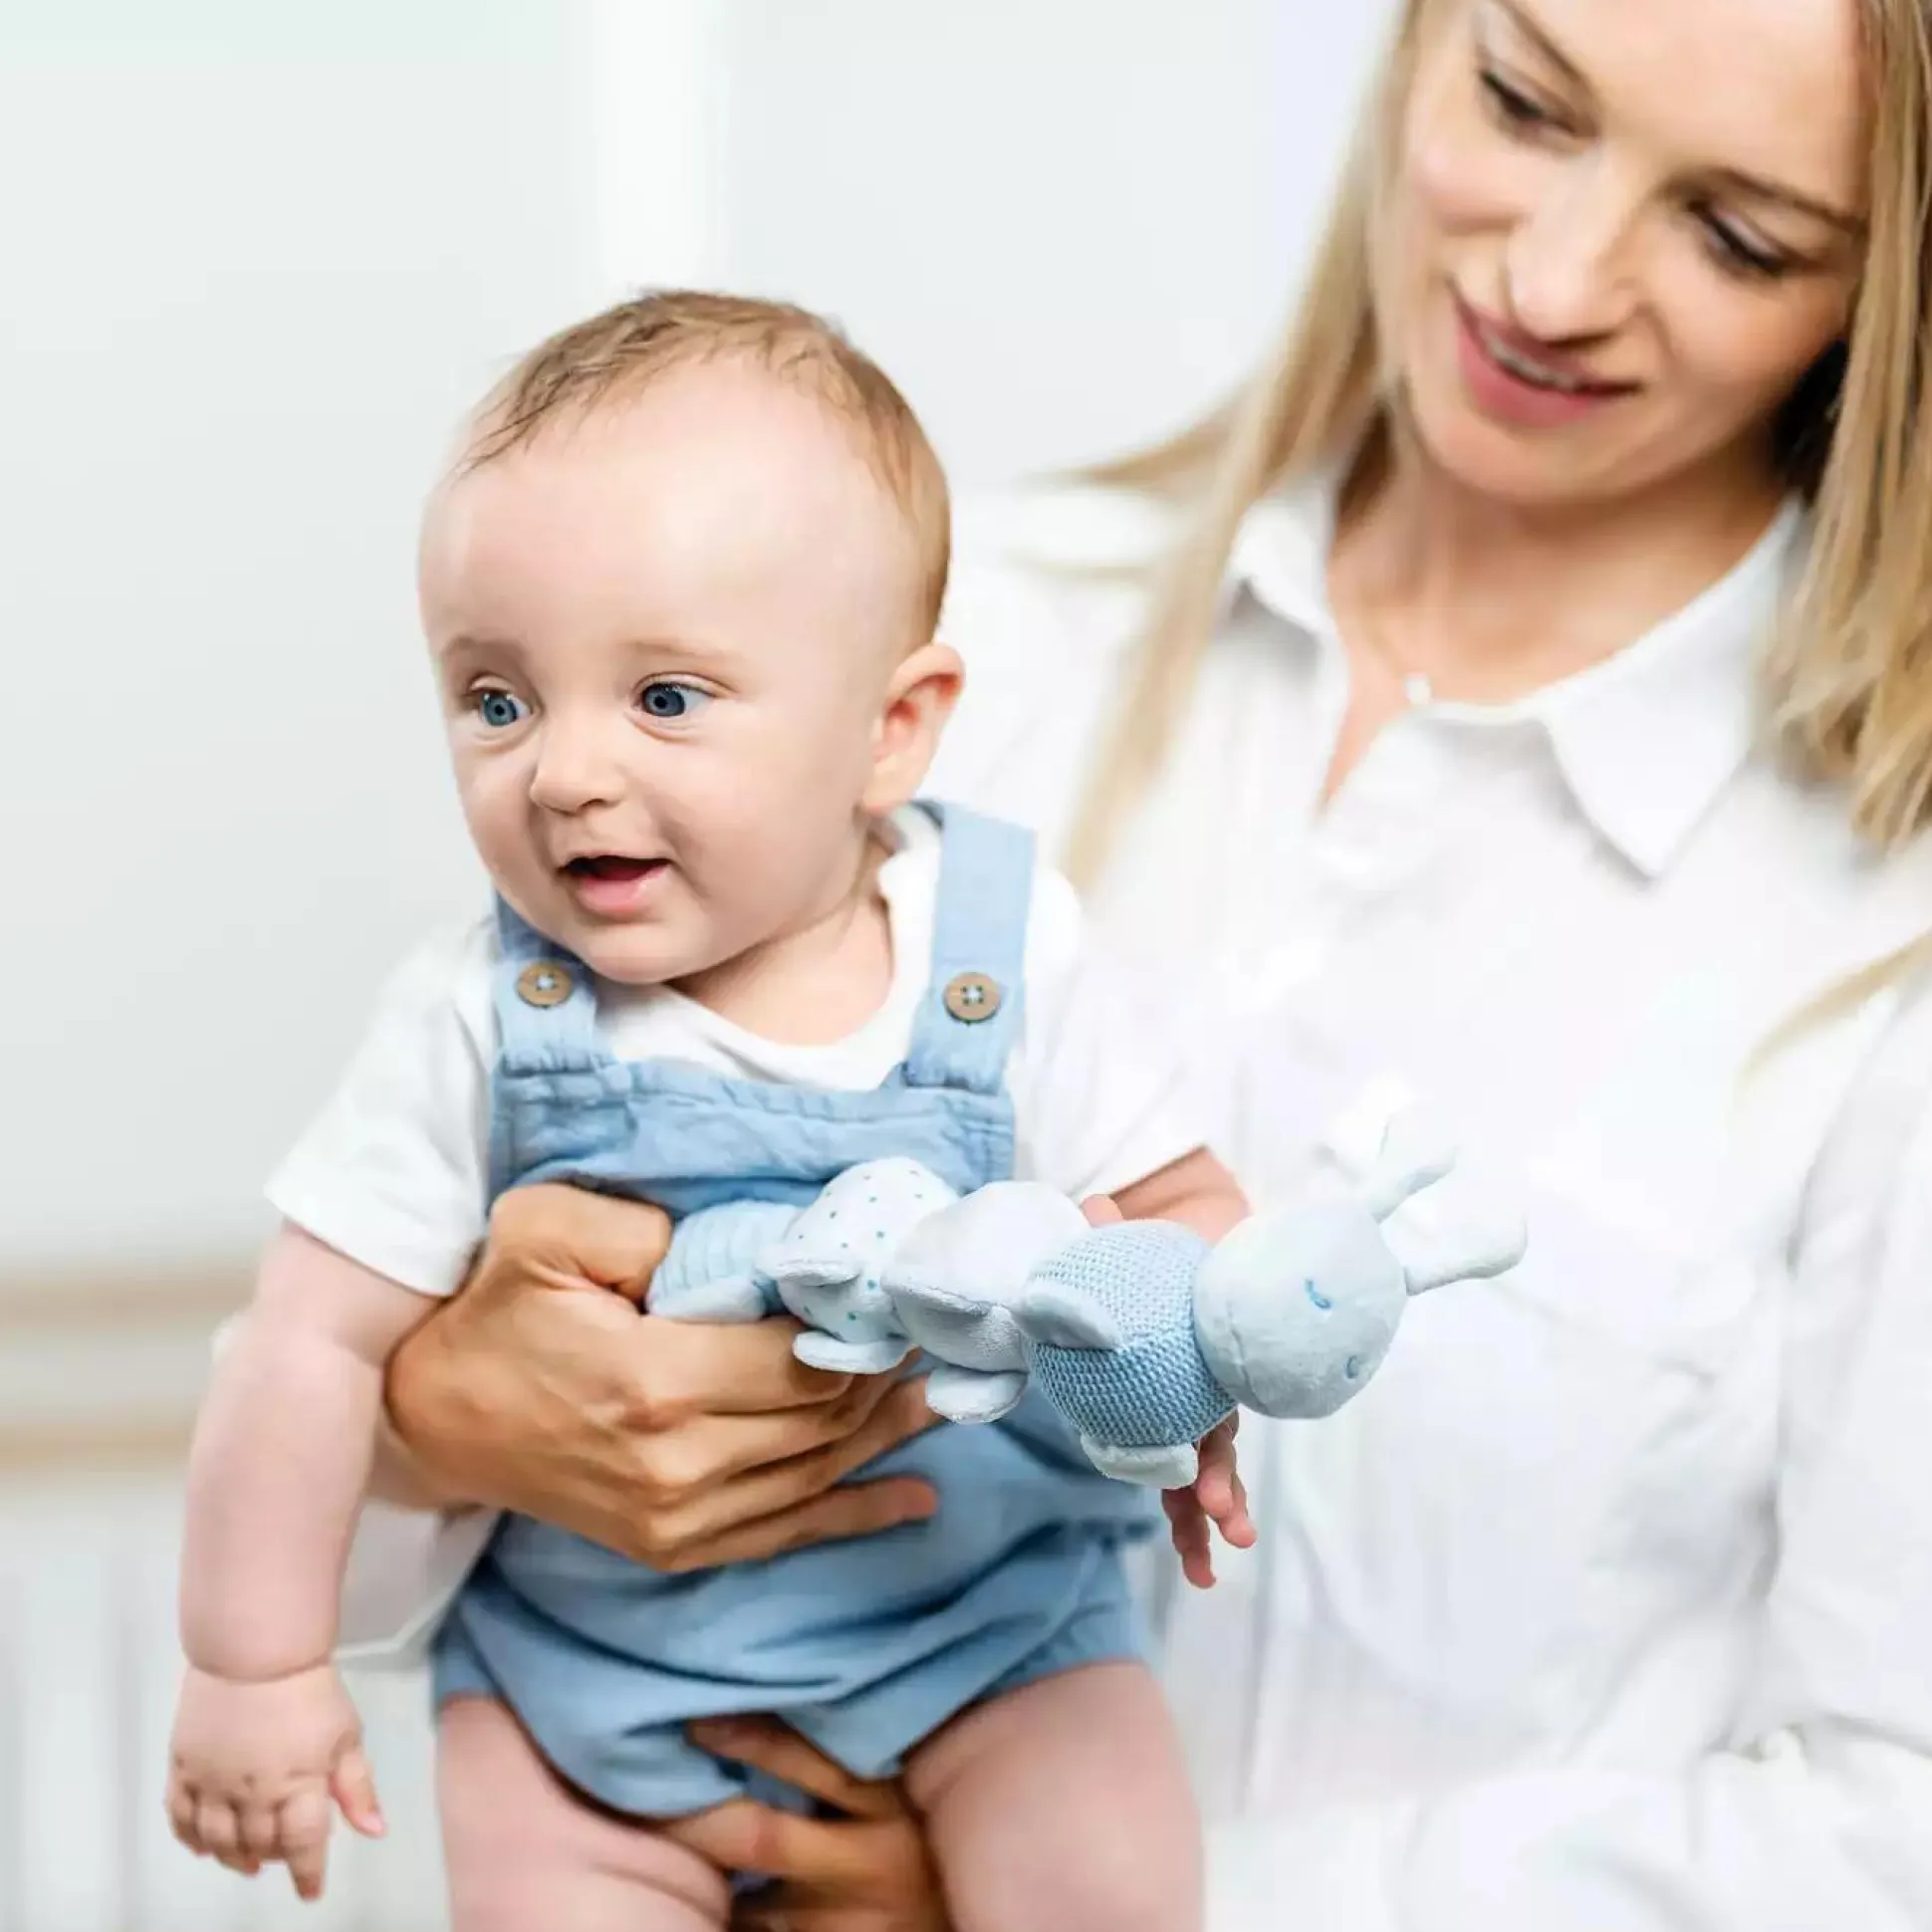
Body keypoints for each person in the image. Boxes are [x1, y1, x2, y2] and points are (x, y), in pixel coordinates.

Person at [309, 0, 1932, 1925]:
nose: (1559, 279)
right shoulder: (911, 652)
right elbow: (335, 1473)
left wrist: (1076, 1897)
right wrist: (434, 1431)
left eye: (1739, 234)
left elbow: (1888, 1821)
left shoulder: (1877, 926)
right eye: (1522, 100)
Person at [160, 292, 1296, 1931]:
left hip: (985, 1642)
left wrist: (1197, 1353)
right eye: (496, 699)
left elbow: (1190, 1209)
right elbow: (303, 1346)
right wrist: (249, 1666)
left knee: (1109, 1861)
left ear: (890, 731)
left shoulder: (1003, 946)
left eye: (666, 699)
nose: (560, 773)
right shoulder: (477, 1011)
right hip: (590, 1705)